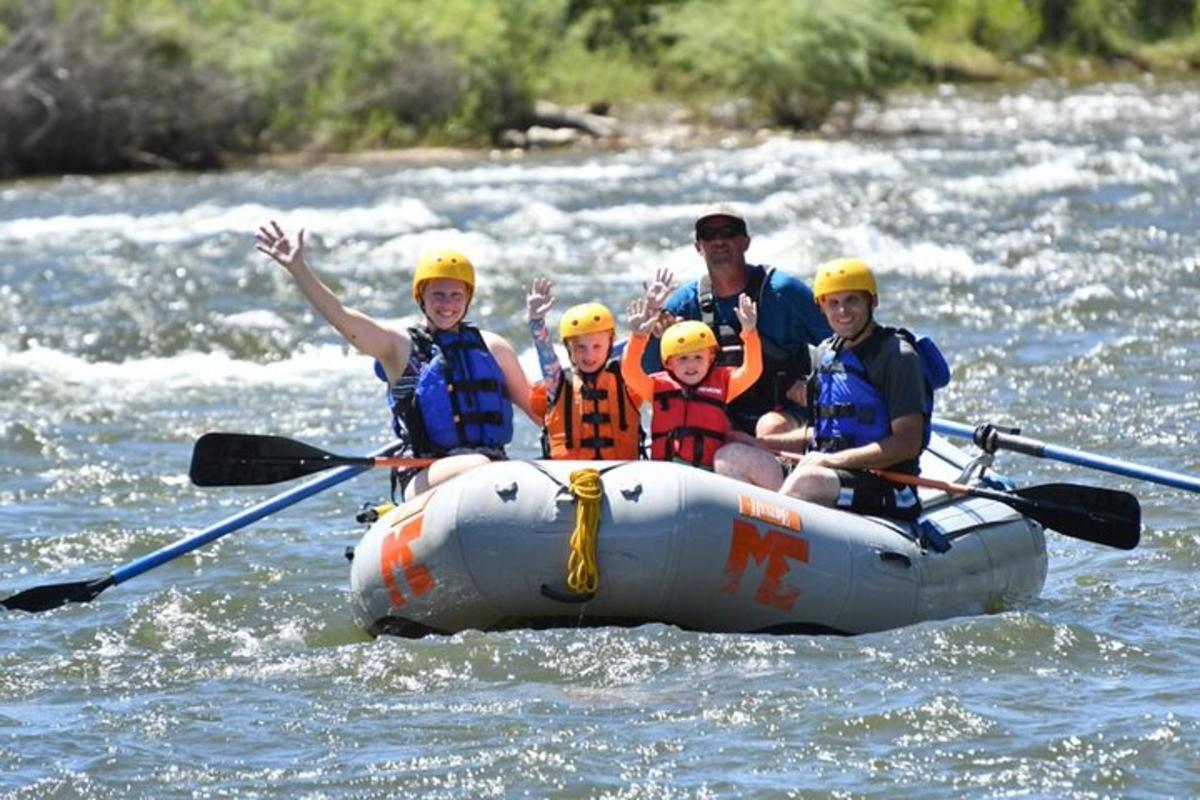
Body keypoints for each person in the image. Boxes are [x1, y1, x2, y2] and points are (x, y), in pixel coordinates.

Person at [254, 221, 535, 498]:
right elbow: (342, 317)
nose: (447, 304)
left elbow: (540, 412)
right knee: (478, 465)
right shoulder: (398, 347)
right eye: (437, 295)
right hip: (426, 475)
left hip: (495, 471)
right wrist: (298, 269)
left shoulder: (494, 347)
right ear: (420, 296)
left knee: (490, 467)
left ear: (468, 299)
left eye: (455, 295)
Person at [640, 203, 831, 438]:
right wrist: (653, 336)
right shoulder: (684, 304)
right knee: (714, 426)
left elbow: (839, 344)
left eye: (728, 232)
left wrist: (813, 383)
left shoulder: (784, 291)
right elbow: (649, 374)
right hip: (721, 413)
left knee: (769, 428)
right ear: (699, 247)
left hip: (785, 412)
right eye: (709, 235)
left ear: (745, 241)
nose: (719, 241)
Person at [775, 258, 932, 521]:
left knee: (808, 480)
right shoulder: (825, 353)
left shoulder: (898, 356)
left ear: (873, 301)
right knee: (742, 456)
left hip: (888, 487)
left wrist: (832, 462)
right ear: (821, 306)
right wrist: (759, 444)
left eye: (852, 300)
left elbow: (907, 443)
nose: (843, 311)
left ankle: (766, 545)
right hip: (832, 473)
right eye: (833, 303)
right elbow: (827, 431)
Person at [621, 283, 761, 471]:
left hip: (707, 474)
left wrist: (750, 333)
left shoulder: (723, 383)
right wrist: (638, 337)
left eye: (698, 357)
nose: (691, 365)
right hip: (666, 470)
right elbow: (630, 372)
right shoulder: (657, 387)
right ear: (668, 363)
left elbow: (752, 370)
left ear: (711, 358)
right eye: (683, 359)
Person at [525, 276, 644, 459]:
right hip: (569, 474)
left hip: (623, 473)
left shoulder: (626, 379)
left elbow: (637, 351)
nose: (589, 355)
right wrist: (536, 321)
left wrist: (644, 323)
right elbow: (544, 352)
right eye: (580, 348)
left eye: (597, 347)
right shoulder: (557, 382)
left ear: (610, 344)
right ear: (568, 349)